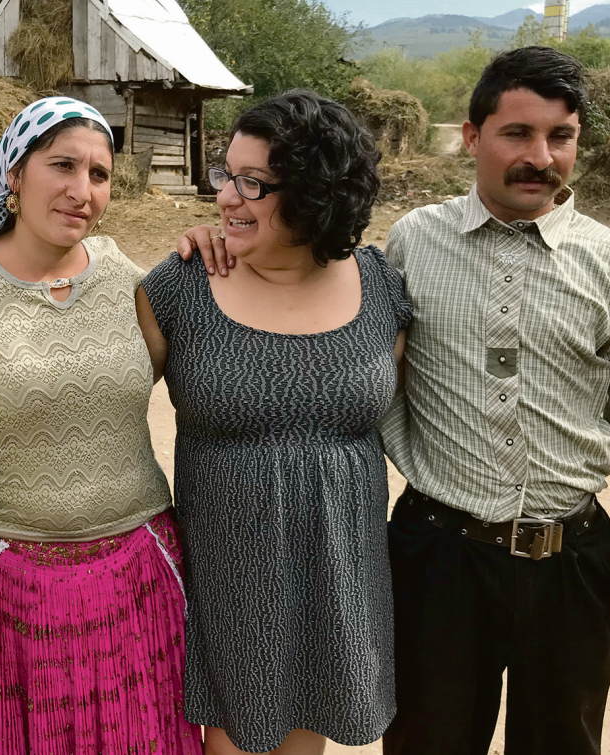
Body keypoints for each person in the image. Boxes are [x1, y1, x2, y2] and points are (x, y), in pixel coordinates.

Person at [377, 47, 610, 755]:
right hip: (438, 558)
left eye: (560, 136)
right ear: (472, 136)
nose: (540, 157)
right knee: (425, 742)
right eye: (517, 133)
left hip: (572, 561)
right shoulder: (414, 242)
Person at [0, 97, 201, 753]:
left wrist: (214, 243)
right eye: (63, 166)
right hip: (15, 588)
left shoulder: (128, 277)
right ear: (14, 173)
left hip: (141, 575)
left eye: (99, 174)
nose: (83, 191)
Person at [144, 90, 410, 754]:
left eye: (252, 183)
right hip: (230, 585)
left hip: (337, 578)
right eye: (226, 174)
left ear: (317, 194)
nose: (225, 197)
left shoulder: (382, 286)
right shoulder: (179, 286)